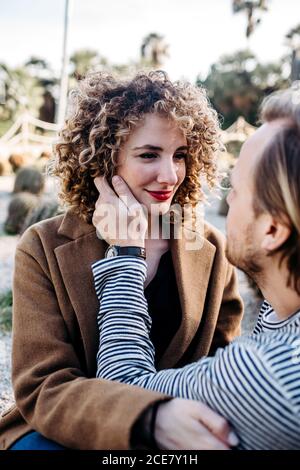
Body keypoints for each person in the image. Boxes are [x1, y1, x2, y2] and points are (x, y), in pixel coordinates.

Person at [0, 71, 243, 450]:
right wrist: (143, 419)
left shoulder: (209, 246)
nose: (169, 175)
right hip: (72, 432)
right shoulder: (43, 245)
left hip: (182, 431)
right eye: (149, 155)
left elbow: (225, 369)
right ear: (102, 160)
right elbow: (43, 385)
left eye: (180, 155)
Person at [91, 86, 300, 450]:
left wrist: (126, 254)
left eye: (236, 190)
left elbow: (122, 387)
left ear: (273, 230)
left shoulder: (270, 377)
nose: (172, 177)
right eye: (148, 154)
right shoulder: (283, 313)